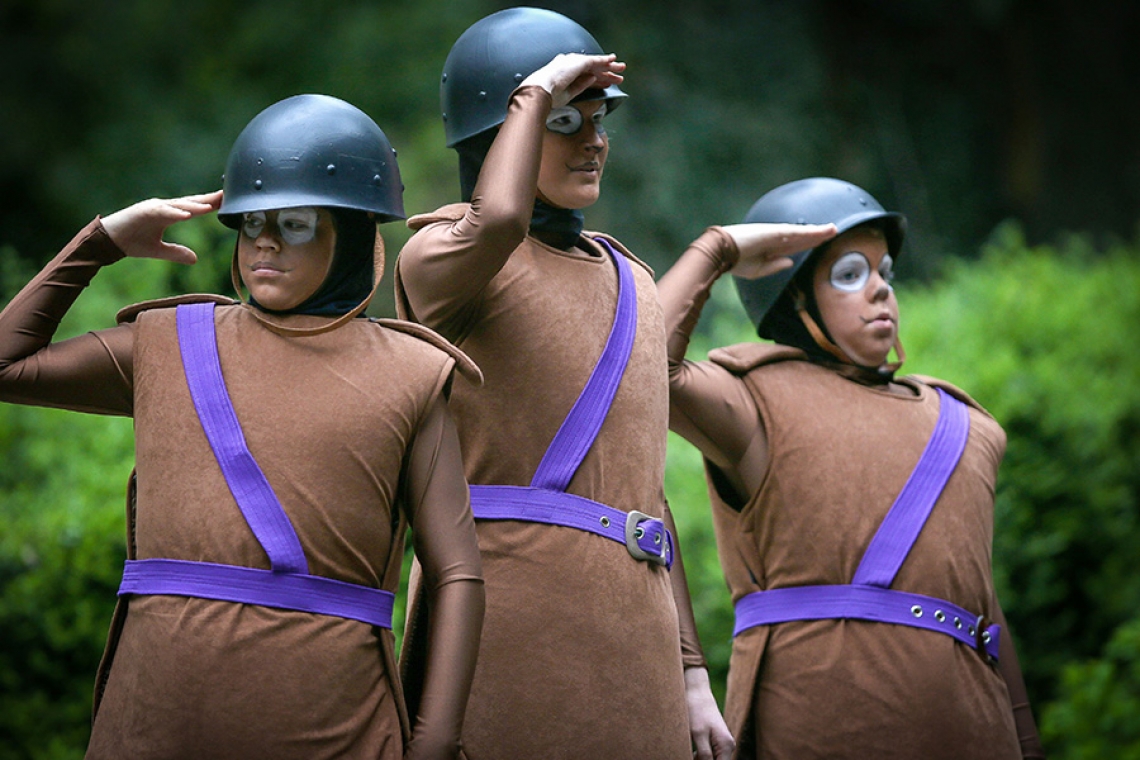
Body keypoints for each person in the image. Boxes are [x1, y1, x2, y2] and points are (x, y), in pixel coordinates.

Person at [0, 94, 485, 759]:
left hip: (336, 727)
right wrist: (101, 242)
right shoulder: (168, 343)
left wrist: (434, 743)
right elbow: (8, 365)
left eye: (293, 222)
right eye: (251, 221)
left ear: (350, 231)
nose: (263, 241)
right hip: (152, 726)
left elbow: (457, 571)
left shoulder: (411, 372)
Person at [393, 7, 732, 759]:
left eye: (600, 116)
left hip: (637, 648)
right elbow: (501, 217)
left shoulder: (632, 278)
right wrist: (533, 94)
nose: (595, 139)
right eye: (566, 119)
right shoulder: (441, 258)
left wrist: (690, 671)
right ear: (500, 128)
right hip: (503, 634)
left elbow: (643, 492)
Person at [656, 176, 1046, 758]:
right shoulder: (749, 407)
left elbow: (981, 608)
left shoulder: (966, 425)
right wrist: (718, 251)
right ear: (793, 297)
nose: (881, 290)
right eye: (849, 274)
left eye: (885, 271)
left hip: (973, 728)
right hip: (819, 724)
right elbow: (643, 364)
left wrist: (1027, 741)